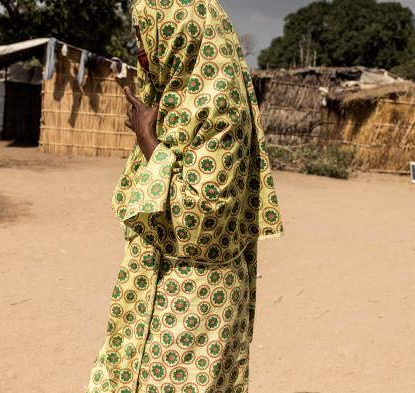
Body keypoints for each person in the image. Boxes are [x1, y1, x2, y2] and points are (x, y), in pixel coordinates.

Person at [85, 1, 284, 392]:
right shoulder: (180, 100)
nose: (141, 50)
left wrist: (148, 140)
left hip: (193, 299)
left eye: (148, 36)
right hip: (162, 289)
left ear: (180, 38)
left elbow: (202, 219)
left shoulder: (219, 111)